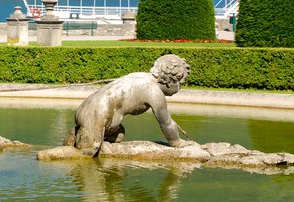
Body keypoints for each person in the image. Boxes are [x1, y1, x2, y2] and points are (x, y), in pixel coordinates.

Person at [64, 54, 195, 155]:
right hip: (98, 114)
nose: (178, 88)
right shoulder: (154, 91)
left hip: (88, 108)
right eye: (180, 83)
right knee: (85, 155)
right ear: (170, 81)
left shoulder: (141, 76)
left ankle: (79, 135)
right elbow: (166, 123)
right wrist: (177, 142)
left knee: (119, 134)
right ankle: (51, 157)